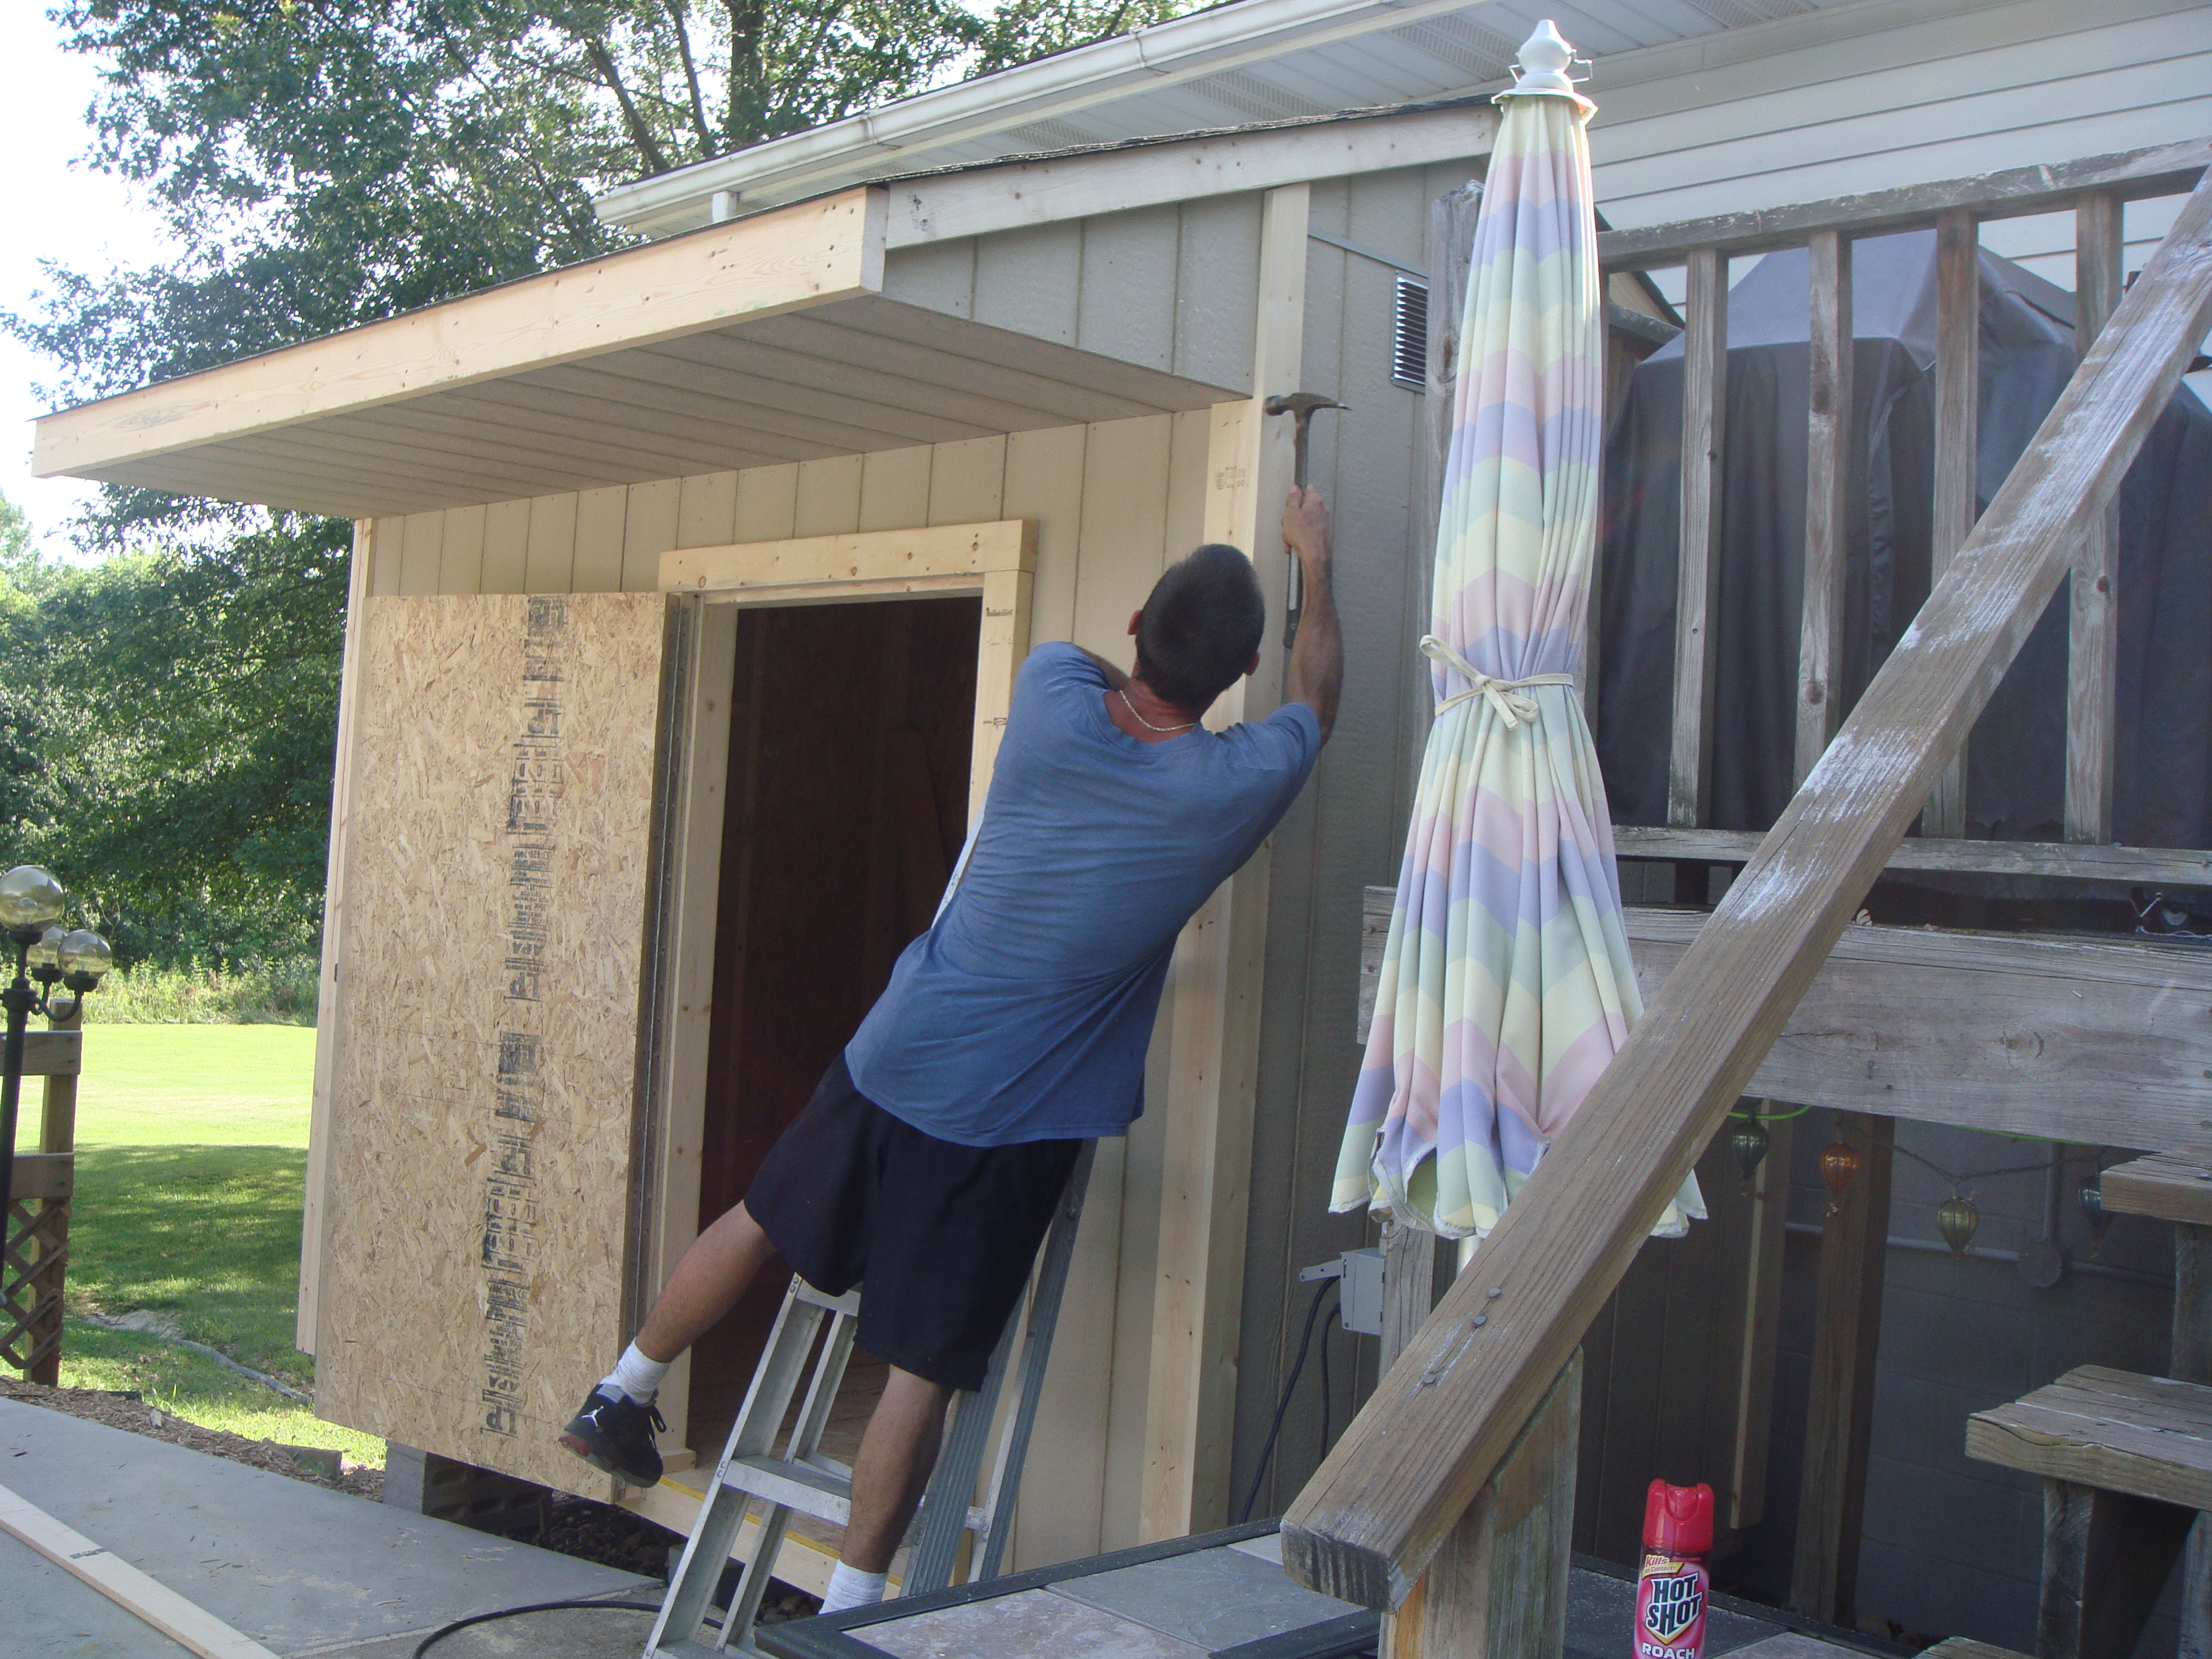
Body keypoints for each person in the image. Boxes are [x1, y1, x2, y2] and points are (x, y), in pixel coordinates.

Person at [561, 486, 1343, 1612]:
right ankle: (849, 1613)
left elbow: (1101, 662)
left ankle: (622, 1392)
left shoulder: (1052, 695)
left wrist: (1149, 658)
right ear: (1242, 669)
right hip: (1007, 1121)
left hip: (893, 1050)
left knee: (762, 1217)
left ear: (1136, 627)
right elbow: (1319, 695)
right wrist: (1314, 558)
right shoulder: (1232, 783)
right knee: (919, 1373)